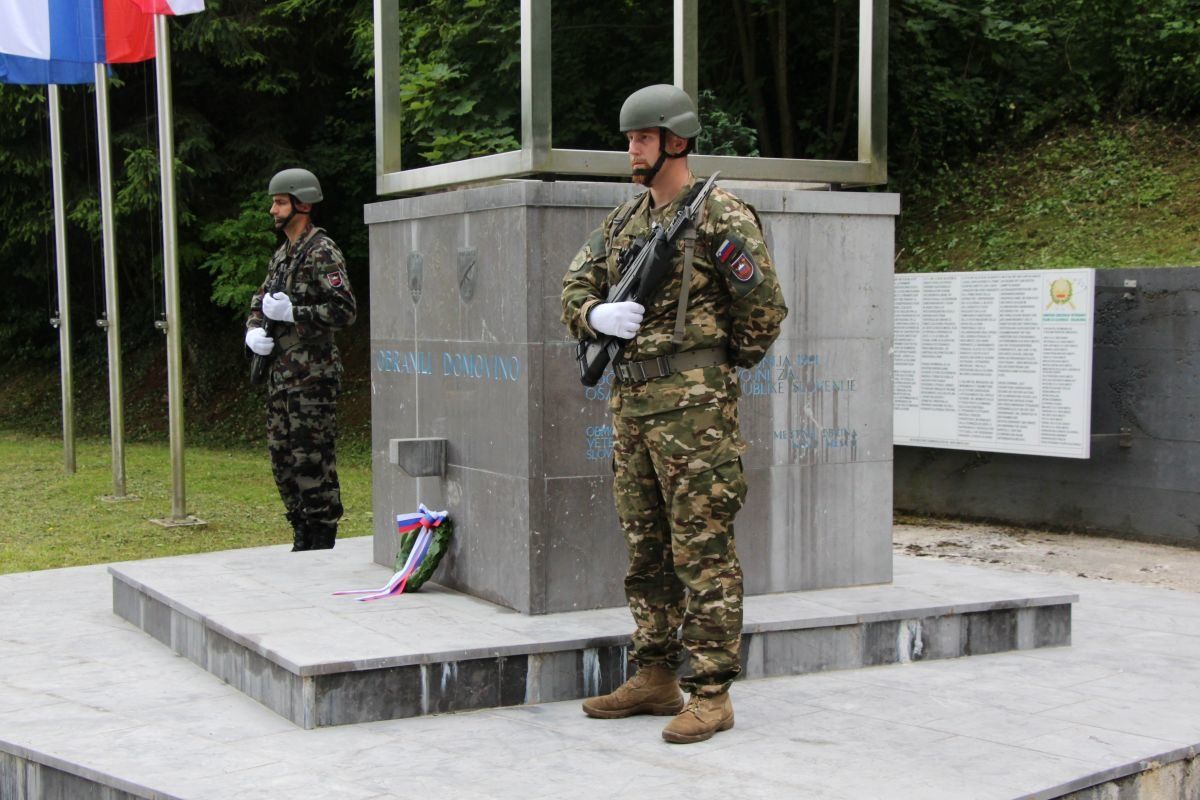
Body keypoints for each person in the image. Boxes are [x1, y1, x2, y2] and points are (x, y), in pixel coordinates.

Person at [560, 85, 788, 743]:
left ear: (676, 140)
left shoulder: (720, 215)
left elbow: (764, 310)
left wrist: (707, 367)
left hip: (695, 417)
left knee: (702, 548)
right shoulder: (624, 221)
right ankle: (655, 674)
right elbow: (574, 284)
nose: (632, 149)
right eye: (630, 139)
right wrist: (594, 314)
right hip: (631, 407)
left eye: (643, 138)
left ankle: (711, 693)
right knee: (647, 548)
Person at [245, 168, 356, 551]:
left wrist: (295, 313)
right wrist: (253, 330)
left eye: (280, 202)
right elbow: (260, 301)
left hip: (312, 377)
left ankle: (320, 537)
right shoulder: (282, 255)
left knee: (312, 461)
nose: (273, 210)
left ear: (302, 204)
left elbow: (344, 310)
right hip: (282, 375)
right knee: (283, 460)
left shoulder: (322, 251)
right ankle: (301, 532)